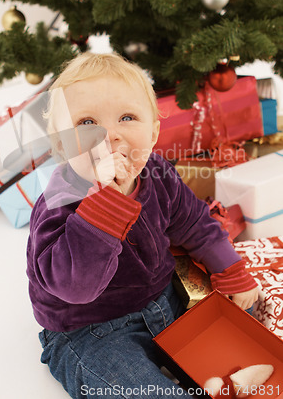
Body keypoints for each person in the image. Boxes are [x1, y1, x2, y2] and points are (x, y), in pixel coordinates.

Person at [26, 52, 259, 399]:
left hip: (165, 300)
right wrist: (103, 203)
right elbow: (76, 287)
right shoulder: (59, 200)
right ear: (61, 144)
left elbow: (194, 222)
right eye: (87, 123)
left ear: (153, 134)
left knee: (246, 309)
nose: (110, 136)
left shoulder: (158, 172)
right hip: (91, 331)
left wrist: (231, 269)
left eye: (127, 117)